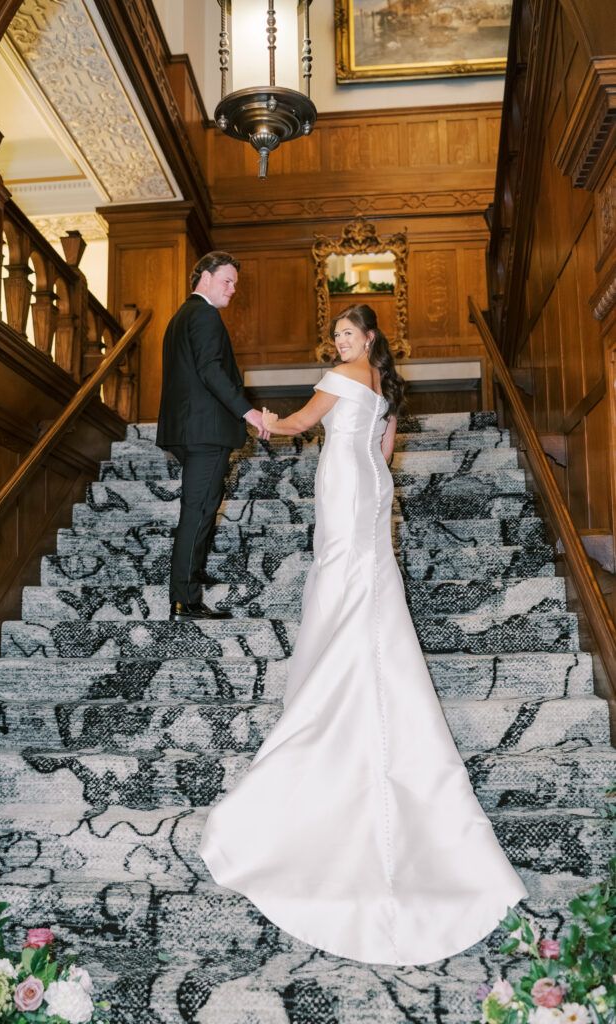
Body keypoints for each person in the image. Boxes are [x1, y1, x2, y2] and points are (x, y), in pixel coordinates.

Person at [199, 303, 527, 965]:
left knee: (339, 575)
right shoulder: (380, 385)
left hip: (345, 486)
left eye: (349, 334)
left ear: (367, 337)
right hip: (371, 487)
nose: (341, 343)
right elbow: (383, 447)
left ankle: (334, 680)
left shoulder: (344, 375)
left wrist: (253, 417)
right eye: (337, 336)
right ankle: (363, 666)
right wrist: (364, 474)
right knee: (368, 583)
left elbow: (294, 425)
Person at [156, 251, 268, 621]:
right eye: (227, 281)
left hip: (191, 430)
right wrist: (248, 411)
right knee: (199, 511)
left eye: (235, 283)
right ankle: (185, 600)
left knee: (200, 509)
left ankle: (190, 580)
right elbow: (210, 371)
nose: (233, 289)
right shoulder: (205, 315)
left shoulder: (180, 317)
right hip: (205, 432)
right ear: (204, 276)